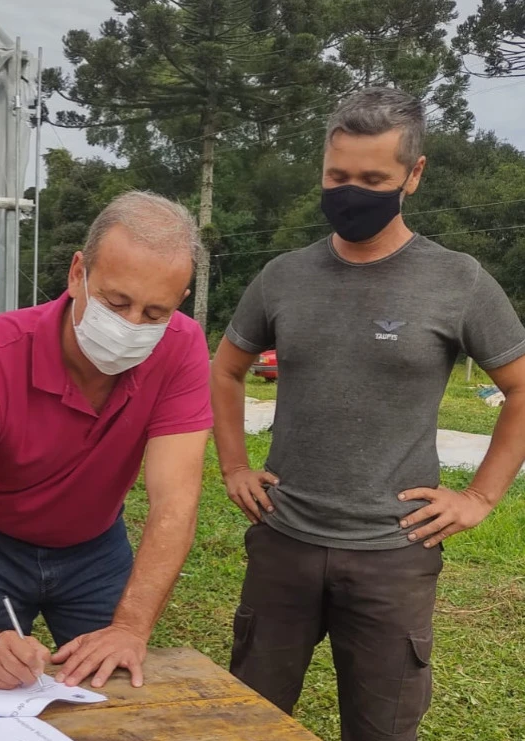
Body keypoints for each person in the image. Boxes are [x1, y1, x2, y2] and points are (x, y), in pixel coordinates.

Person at [211, 87, 525, 741]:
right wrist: (234, 465)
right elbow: (226, 368)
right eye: (337, 176)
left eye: (373, 179)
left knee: (382, 729)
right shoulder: (283, 277)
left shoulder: (457, 280)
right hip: (284, 542)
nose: (350, 192)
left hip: (394, 555)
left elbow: (521, 388)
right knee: (248, 721)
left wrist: (479, 497)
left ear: (414, 174)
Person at [0, 191, 212, 691]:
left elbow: (175, 504)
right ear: (77, 273)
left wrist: (130, 627)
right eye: (116, 302)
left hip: (95, 548)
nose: (130, 327)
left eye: (155, 313)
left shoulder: (182, 347)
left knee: (113, 689)